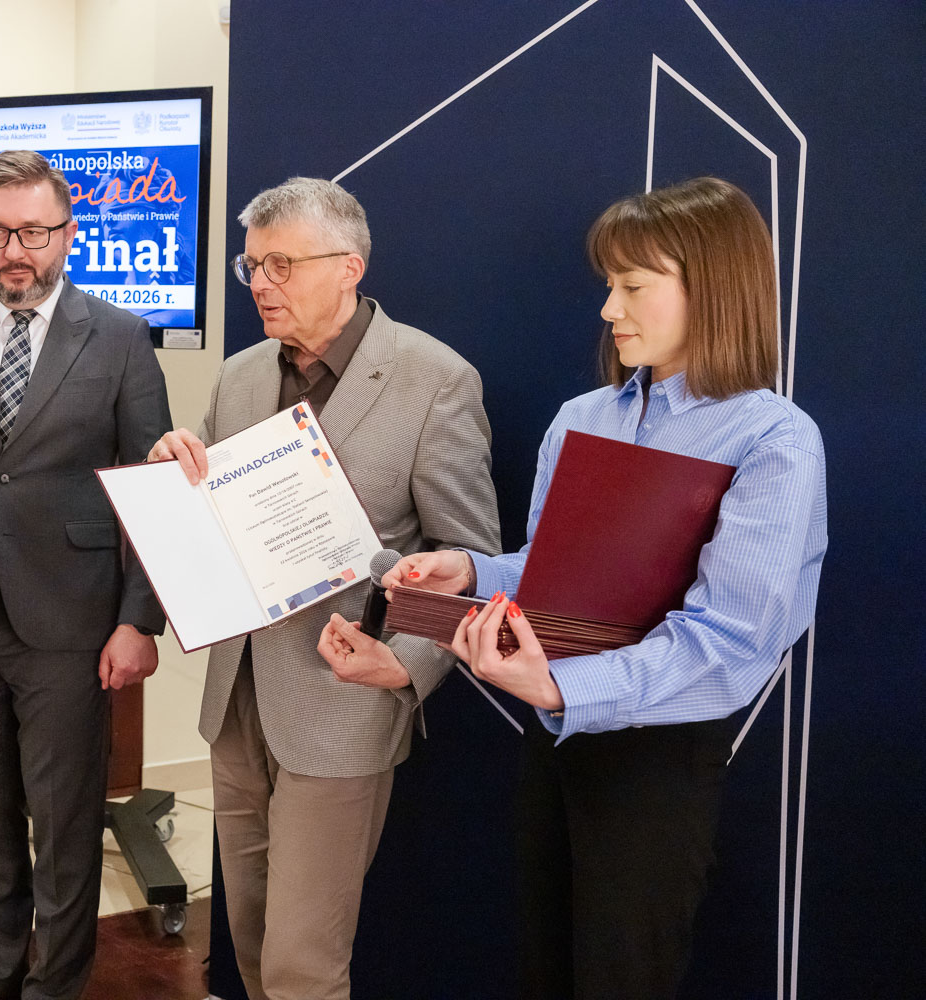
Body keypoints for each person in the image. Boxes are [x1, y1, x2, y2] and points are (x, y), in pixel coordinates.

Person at [364, 176, 828, 998]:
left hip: (657, 757)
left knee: (622, 977)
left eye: (633, 286)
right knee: (546, 966)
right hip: (555, 739)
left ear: (712, 287)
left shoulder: (772, 438)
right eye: (609, 286)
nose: (610, 309)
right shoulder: (584, 416)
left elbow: (731, 639)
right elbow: (553, 571)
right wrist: (473, 570)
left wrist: (559, 686)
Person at [151, 177, 500, 1000]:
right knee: (249, 943)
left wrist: (405, 665)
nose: (261, 283)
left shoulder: (434, 379)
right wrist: (170, 474)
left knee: (302, 964)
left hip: (342, 708)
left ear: (350, 267)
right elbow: (216, 514)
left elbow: (469, 559)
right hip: (235, 698)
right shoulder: (240, 376)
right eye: (251, 267)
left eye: (282, 264)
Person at [0, 149, 172, 1000]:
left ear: (68, 233)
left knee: (63, 825)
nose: (13, 250)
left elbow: (153, 489)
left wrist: (139, 619)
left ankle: (56, 985)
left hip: (72, 620)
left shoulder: (120, 336)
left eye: (32, 232)